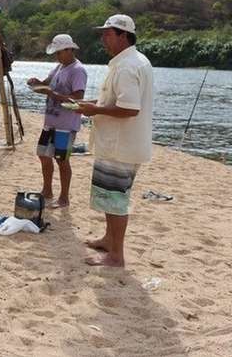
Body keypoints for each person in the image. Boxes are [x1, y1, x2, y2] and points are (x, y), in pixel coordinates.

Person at [76, 14, 154, 268]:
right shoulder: (133, 61)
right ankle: (109, 240)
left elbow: (130, 108)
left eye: (108, 34)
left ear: (124, 36)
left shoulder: (127, 66)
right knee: (110, 197)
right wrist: (93, 105)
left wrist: (95, 110)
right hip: (122, 143)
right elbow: (121, 102)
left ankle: (116, 255)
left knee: (116, 201)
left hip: (121, 145)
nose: (103, 39)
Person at [26, 34, 87, 210]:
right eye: (56, 53)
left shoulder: (78, 70)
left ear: (69, 50)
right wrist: (37, 83)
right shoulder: (59, 67)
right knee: (43, 155)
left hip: (66, 125)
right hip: (51, 122)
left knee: (61, 160)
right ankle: (47, 190)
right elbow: (47, 84)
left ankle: (64, 197)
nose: (57, 56)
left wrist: (53, 94)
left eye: (59, 52)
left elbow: (78, 97)